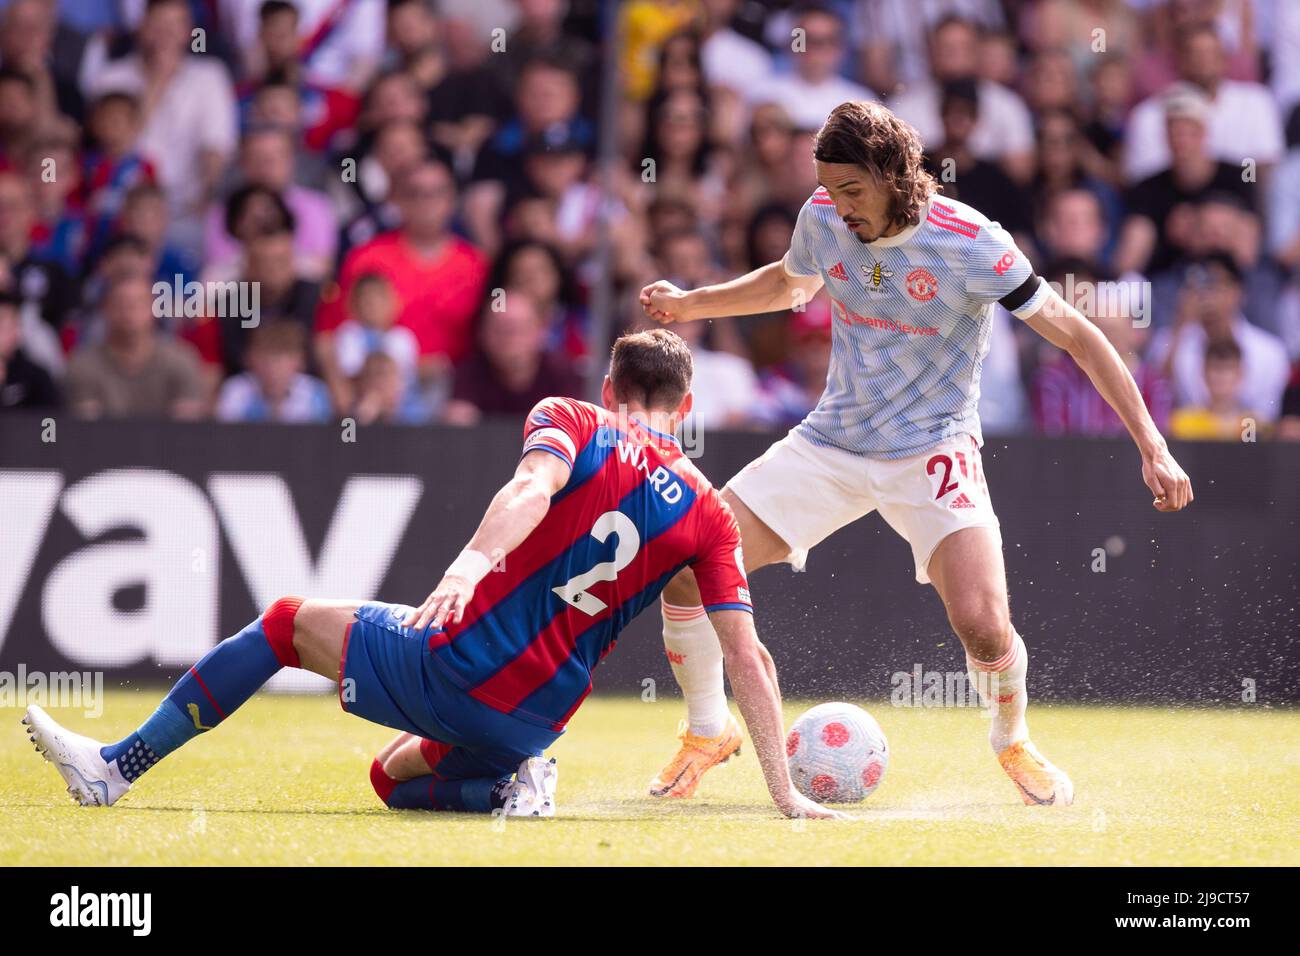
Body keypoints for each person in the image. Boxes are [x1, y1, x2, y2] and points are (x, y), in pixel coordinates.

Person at [25, 329, 839, 822]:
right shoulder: (710, 513)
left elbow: (531, 488)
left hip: (456, 660)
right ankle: (509, 788)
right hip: (539, 718)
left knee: (282, 623)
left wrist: (468, 563)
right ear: (686, 401)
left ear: (608, 389)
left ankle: (113, 770)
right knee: (390, 777)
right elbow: (748, 658)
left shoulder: (574, 419)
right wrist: (783, 792)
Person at [639, 100, 1193, 805]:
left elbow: (1076, 334)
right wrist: (692, 304)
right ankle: (707, 731)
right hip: (830, 443)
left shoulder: (972, 243)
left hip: (933, 451)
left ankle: (1013, 740)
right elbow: (789, 281)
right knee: (688, 563)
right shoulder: (821, 216)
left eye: (851, 191)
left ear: (894, 174)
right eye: (829, 190)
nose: (837, 208)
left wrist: (1152, 445)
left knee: (985, 625)